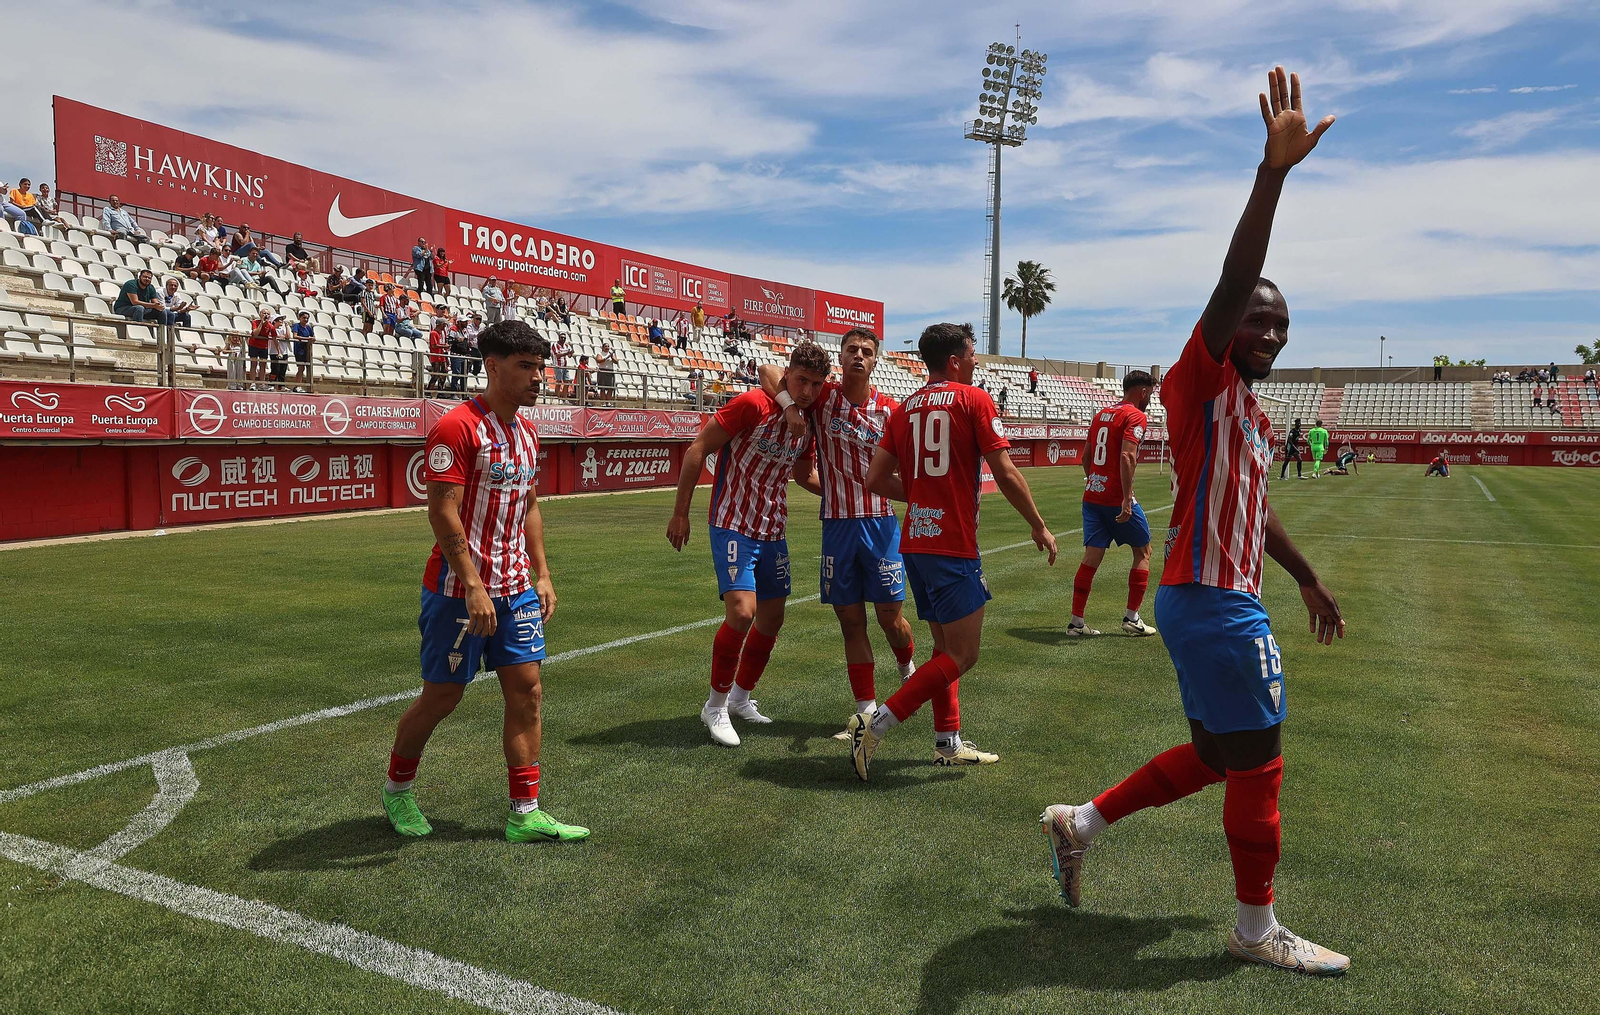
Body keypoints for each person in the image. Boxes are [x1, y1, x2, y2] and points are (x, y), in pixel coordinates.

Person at [1040, 66, 1349, 977]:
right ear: (1225, 326)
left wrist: (1304, 575)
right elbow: (1235, 274)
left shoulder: (1249, 413)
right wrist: (1273, 176)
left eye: (1283, 324)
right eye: (1259, 320)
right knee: (1260, 763)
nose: (1272, 332)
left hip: (1209, 591)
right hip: (1213, 599)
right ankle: (1256, 929)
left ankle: (1079, 821)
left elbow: (1256, 510)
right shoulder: (1198, 378)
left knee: (1220, 753)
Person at [383, 320, 588, 844]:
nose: (538, 377)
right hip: (459, 592)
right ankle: (398, 789)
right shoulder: (456, 428)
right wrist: (472, 583)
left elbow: (531, 505)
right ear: (492, 367)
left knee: (528, 692)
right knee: (443, 696)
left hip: (516, 587)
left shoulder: (526, 432)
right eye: (526, 367)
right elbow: (442, 512)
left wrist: (542, 573)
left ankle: (525, 812)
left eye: (540, 367)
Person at [848, 321, 1057, 779]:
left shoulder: (903, 410)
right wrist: (1039, 526)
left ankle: (947, 741)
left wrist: (923, 495)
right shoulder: (973, 399)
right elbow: (1004, 472)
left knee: (943, 650)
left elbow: (876, 480)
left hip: (917, 542)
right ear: (956, 361)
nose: (977, 362)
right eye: (972, 354)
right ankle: (877, 723)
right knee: (963, 654)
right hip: (953, 544)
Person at [758, 330, 944, 752]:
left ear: (876, 361)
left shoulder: (890, 410)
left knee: (889, 618)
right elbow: (769, 371)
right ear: (840, 358)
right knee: (850, 620)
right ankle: (865, 710)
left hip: (880, 525)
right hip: (837, 528)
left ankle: (908, 669)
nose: (859, 356)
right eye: (852, 350)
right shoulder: (822, 400)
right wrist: (789, 409)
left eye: (867, 352)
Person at [666, 342, 828, 747]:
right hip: (733, 522)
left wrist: (842, 491)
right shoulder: (754, 404)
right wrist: (681, 513)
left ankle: (741, 698)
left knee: (772, 620)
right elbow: (697, 450)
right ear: (789, 374)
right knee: (742, 612)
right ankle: (715, 705)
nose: (807, 390)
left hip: (773, 529)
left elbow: (803, 475)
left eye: (815, 383)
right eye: (801, 380)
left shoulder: (807, 423)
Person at [1068, 370, 1159, 638]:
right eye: (1150, 394)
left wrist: (1094, 479)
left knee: (1092, 557)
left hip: (1092, 495)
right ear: (1142, 392)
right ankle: (1132, 618)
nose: (1150, 399)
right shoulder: (1135, 416)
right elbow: (1127, 456)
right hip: (1115, 498)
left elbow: (1086, 456)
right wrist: (1126, 497)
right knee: (1143, 551)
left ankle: (1076, 622)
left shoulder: (1101, 415)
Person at [247, 308, 276, 388]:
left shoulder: (270, 326)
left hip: (264, 346)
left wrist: (278, 351)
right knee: (254, 364)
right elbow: (255, 334)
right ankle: (252, 383)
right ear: (260, 314)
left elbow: (274, 337)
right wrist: (261, 324)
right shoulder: (255, 322)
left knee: (263, 365)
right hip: (254, 345)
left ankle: (262, 383)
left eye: (268, 314)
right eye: (264, 313)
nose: (266, 315)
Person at [290, 310, 315, 392]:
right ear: (299, 318)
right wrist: (307, 339)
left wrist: (311, 339)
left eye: (307, 318)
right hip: (299, 349)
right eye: (304, 318)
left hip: (307, 350)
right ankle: (297, 386)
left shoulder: (308, 327)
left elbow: (313, 337)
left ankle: (300, 385)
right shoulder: (296, 326)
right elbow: (295, 336)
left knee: (304, 368)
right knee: (301, 368)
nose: (306, 320)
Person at [427, 318, 449, 392]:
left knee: (443, 374)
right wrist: (444, 346)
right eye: (444, 325)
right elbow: (434, 345)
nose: (445, 326)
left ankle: (440, 391)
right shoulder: (433, 333)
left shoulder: (441, 333)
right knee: (436, 374)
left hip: (441, 356)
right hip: (436, 357)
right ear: (440, 324)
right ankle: (429, 391)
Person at [552, 332, 573, 399]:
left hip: (565, 366)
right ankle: (557, 397)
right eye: (562, 337)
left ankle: (564, 398)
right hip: (558, 366)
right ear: (559, 338)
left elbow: (569, 356)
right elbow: (557, 355)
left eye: (564, 338)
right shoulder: (555, 345)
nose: (563, 339)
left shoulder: (566, 345)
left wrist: (571, 353)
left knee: (567, 382)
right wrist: (567, 353)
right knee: (559, 381)